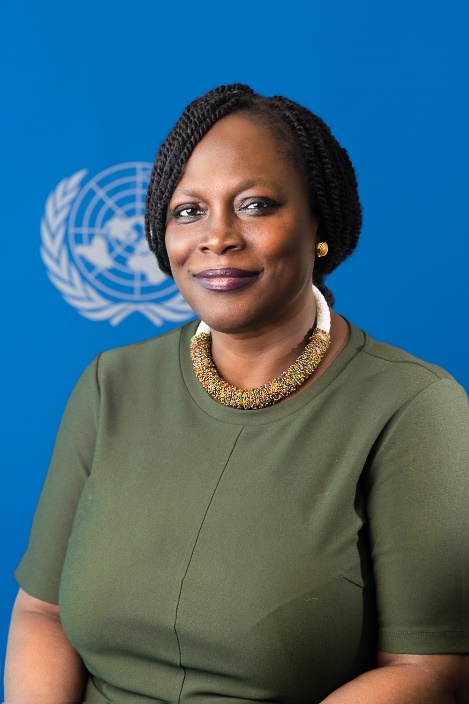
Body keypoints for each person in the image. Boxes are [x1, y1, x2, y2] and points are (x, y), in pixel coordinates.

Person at [4, 84, 468, 703]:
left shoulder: (413, 406)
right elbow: (42, 614)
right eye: (188, 211)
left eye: (255, 205)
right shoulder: (111, 383)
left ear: (319, 224)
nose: (217, 236)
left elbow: (429, 670)